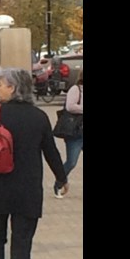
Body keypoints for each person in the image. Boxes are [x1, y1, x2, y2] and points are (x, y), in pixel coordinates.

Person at [0, 68, 68, 259]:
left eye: (1, 84)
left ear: (13, 87)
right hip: (27, 190)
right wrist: (61, 177)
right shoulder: (38, 116)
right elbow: (50, 151)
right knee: (22, 245)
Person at [54, 69, 83, 199]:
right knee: (71, 162)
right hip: (75, 131)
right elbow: (70, 106)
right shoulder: (76, 89)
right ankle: (59, 183)